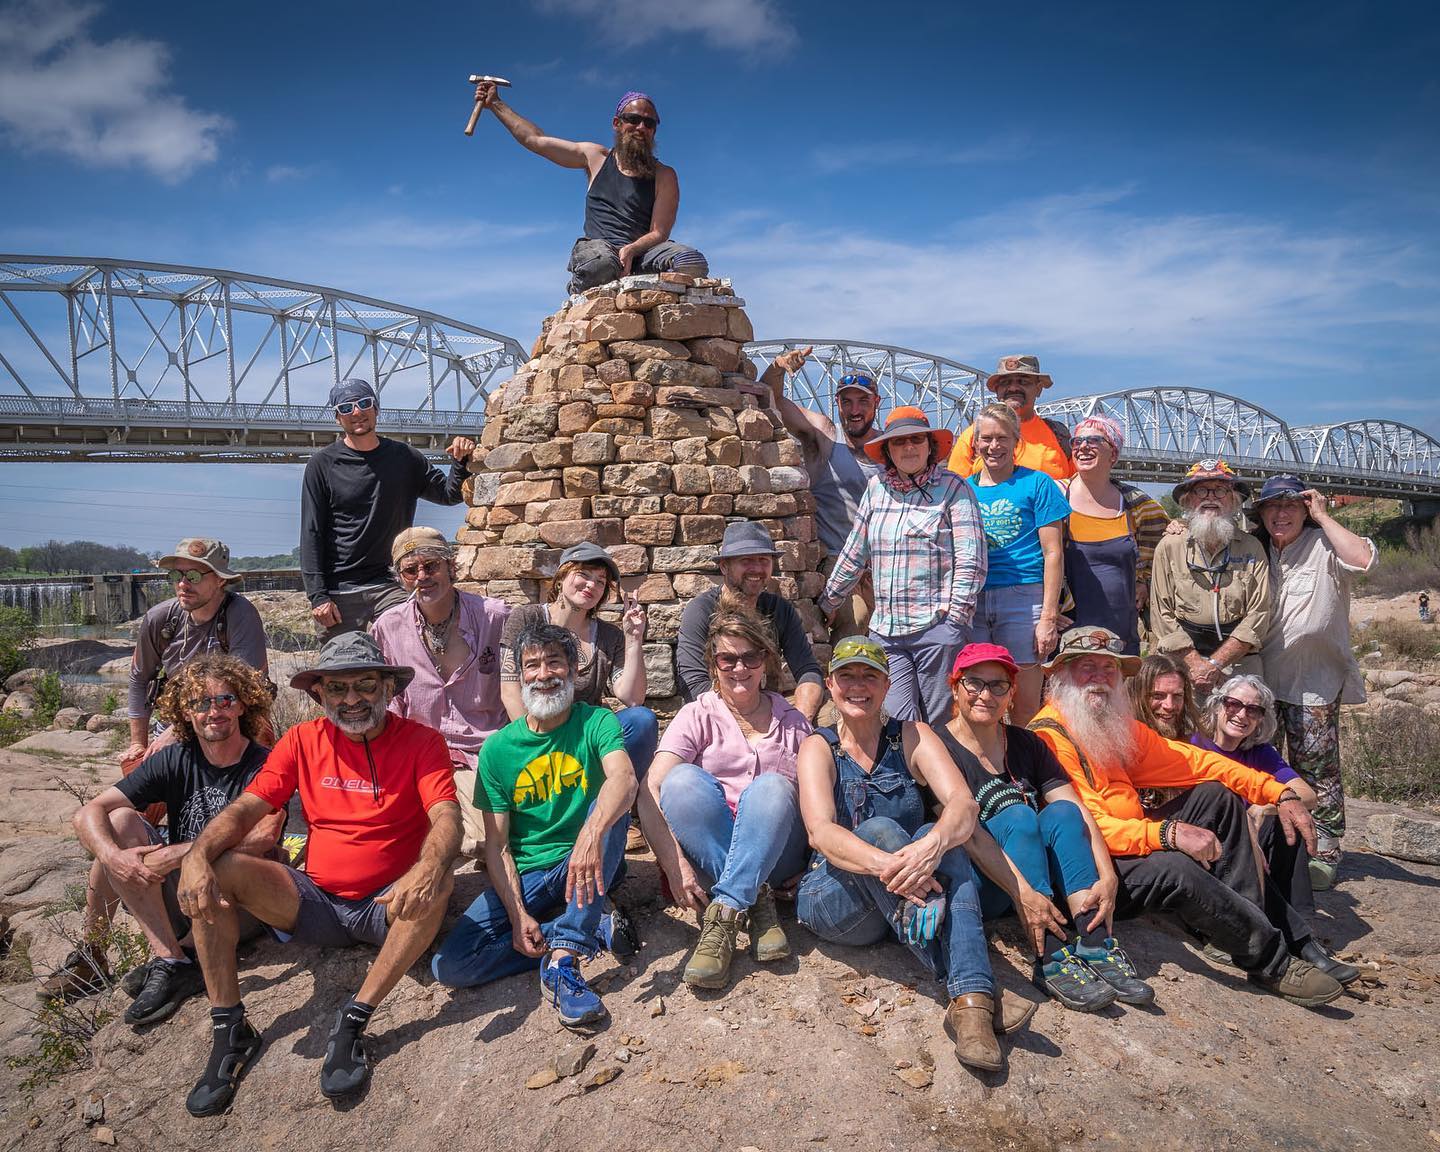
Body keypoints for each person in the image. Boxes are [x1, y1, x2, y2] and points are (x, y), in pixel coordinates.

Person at [176, 633, 461, 1115]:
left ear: (388, 688)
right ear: (318, 695)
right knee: (218, 868)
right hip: (314, 900)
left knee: (441, 880)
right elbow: (249, 807)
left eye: (365, 685)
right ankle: (230, 1027)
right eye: (337, 689)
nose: (352, 700)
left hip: (387, 906)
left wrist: (430, 864)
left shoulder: (421, 742)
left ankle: (355, 1017)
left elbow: (447, 816)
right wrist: (196, 855)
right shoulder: (302, 740)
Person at [1029, 626, 1349, 1008]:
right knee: (1176, 868)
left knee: (1217, 796)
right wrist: (1166, 833)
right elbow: (1088, 828)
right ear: (1060, 674)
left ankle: (1253, 929)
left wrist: (1277, 791)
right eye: (1087, 667)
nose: (1100, 677)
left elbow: (1197, 762)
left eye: (1109, 668)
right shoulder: (1049, 736)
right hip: (1094, 869)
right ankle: (1273, 962)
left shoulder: (1112, 726)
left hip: (1130, 844)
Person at [795, 637, 1038, 1073]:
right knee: (883, 830)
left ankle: (971, 1004)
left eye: (870, 676)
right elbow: (822, 833)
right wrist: (892, 865)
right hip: (832, 897)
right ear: (831, 685)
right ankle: (979, 987)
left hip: (905, 900)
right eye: (847, 676)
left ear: (887, 685)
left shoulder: (912, 735)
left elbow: (963, 806)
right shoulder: (818, 747)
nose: (858, 686)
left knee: (936, 830)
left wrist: (931, 847)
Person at [46, 656, 281, 1023]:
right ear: (184, 713)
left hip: (241, 901)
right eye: (200, 703)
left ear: (243, 704)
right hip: (184, 895)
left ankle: (185, 958)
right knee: (120, 824)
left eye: (225, 700)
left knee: (224, 858)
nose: (214, 711)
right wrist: (113, 857)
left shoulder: (265, 762)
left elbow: (264, 835)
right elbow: (88, 812)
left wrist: (173, 856)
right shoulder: (175, 758)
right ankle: (170, 958)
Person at [430, 623, 637, 1031]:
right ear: (521, 675)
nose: (544, 674)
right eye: (532, 665)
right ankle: (588, 925)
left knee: (609, 808)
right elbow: (498, 846)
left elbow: (624, 780)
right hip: (531, 875)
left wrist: (590, 835)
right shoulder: (498, 749)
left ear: (574, 671)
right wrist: (518, 912)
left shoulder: (596, 722)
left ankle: (564, 960)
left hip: (587, 857)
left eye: (554, 662)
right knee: (450, 965)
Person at [939, 644, 1153, 1012]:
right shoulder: (937, 746)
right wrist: (1023, 893)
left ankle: (1093, 942)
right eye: (974, 683)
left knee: (1062, 815)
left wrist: (1108, 875)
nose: (986, 695)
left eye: (999, 686)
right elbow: (967, 836)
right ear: (954, 686)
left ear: (1012, 693)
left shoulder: (1026, 743)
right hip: (988, 882)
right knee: (1019, 816)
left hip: (1035, 879)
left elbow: (1076, 807)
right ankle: (1049, 955)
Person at [643, 598, 811, 990]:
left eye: (751, 657)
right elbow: (651, 788)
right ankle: (755, 902)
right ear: (712, 665)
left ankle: (725, 912)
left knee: (770, 787)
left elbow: (823, 799)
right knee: (680, 780)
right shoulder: (696, 714)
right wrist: (674, 864)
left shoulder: (794, 722)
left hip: (780, 854)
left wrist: (815, 864)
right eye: (727, 659)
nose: (740, 668)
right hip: (710, 849)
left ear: (766, 661)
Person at [1251, 475, 1377, 890]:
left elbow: (1362, 559)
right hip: (1262, 681)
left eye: (1291, 506)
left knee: (1317, 769)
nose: (1281, 514)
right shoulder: (1255, 548)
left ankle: (1324, 848)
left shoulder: (1325, 543)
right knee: (1263, 767)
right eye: (1272, 507)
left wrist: (1323, 515)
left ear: (1306, 509)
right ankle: (1270, 842)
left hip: (1313, 681)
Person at [822, 407, 985, 726]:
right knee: (897, 721)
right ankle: (910, 777)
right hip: (887, 631)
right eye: (898, 442)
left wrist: (954, 622)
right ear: (887, 450)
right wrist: (829, 601)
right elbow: (855, 551)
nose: (908, 447)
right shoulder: (876, 488)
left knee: (941, 723)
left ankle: (941, 778)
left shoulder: (954, 488)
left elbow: (972, 559)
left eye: (916, 439)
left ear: (929, 446)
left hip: (937, 628)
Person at [473, 83, 708, 292]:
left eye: (649, 123)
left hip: (642, 255)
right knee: (601, 265)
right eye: (633, 119)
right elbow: (535, 140)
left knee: (690, 261)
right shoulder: (595, 157)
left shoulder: (664, 175)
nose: (641, 127)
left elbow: (660, 232)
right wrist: (496, 104)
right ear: (617, 123)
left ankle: (644, 296)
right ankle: (580, 287)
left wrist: (632, 249)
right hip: (599, 250)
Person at [372, 527, 512, 857]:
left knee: (477, 840)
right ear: (401, 578)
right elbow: (387, 704)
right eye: (411, 570)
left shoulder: (494, 617)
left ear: (451, 567)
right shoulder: (388, 627)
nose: (422, 576)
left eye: (431, 566)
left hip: (483, 751)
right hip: (420, 754)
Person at [301, 378, 476, 640]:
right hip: (340, 590)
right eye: (346, 408)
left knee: (409, 659)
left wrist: (460, 460)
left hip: (391, 583)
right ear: (338, 418)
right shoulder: (321, 465)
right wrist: (318, 596)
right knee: (341, 671)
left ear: (376, 408)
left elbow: (448, 494)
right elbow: (311, 533)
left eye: (364, 403)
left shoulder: (404, 457)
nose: (357, 412)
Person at [122, 538, 269, 808]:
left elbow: (246, 689)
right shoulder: (160, 619)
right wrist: (137, 743)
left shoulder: (241, 615)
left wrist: (179, 732)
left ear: (221, 581)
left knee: (245, 788)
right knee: (134, 802)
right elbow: (139, 679)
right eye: (176, 575)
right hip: (177, 720)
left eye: (193, 575)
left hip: (231, 718)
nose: (182, 584)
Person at [500, 542, 658, 780]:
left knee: (642, 719)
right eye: (583, 574)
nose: (591, 585)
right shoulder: (526, 618)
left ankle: (621, 796)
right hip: (539, 736)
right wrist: (536, 744)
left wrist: (633, 639)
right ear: (562, 576)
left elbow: (633, 698)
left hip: (587, 737)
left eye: (600, 581)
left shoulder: (608, 635)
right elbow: (510, 690)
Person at [761, 346, 884, 639]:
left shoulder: (893, 448)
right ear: (837, 403)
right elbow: (770, 399)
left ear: (876, 403)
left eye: (862, 402)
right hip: (838, 563)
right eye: (847, 402)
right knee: (855, 622)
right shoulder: (827, 437)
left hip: (886, 564)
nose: (854, 410)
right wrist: (779, 366)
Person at [965, 403, 1069, 725]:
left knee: (1024, 706)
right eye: (986, 438)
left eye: (1002, 438)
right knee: (978, 700)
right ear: (975, 443)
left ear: (1016, 442)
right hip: (975, 600)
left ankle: (1027, 770)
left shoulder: (1038, 484)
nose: (993, 446)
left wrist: (1048, 617)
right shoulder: (963, 489)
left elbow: (1053, 553)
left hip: (1023, 597)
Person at [677, 523, 824, 722]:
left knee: (831, 715)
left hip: (770, 709)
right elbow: (695, 686)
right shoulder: (701, 611)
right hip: (716, 714)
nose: (756, 568)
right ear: (724, 567)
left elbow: (808, 670)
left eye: (763, 560)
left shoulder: (780, 610)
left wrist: (800, 722)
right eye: (746, 561)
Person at [1150, 459, 1269, 696]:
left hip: (1239, 663)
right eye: (1201, 490)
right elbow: (1161, 613)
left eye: (1221, 490)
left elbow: (1259, 614)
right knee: (1184, 731)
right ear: (1188, 500)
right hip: (1182, 662)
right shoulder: (1170, 546)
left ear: (1234, 499)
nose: (1210, 497)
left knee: (1240, 727)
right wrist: (1196, 664)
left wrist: (1215, 664)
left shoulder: (1251, 547)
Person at [1060, 415, 1169, 654]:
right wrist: (1046, 612)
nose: (1083, 447)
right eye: (1077, 441)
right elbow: (1033, 556)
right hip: (1067, 635)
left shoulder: (1137, 504)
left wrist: (1143, 580)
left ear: (1114, 454)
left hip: (1120, 633)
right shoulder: (1056, 496)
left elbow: (1165, 541)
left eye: (1094, 440)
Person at [947, 355, 1074, 481]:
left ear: (1039, 389)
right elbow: (955, 491)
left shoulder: (1059, 436)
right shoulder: (972, 436)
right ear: (997, 391)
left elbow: (1079, 487)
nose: (1013, 388)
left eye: (1023, 382)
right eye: (1005, 383)